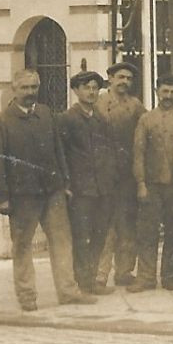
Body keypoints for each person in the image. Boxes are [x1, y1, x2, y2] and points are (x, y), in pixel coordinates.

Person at [0, 68, 93, 311]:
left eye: (34, 87)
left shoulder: (45, 114)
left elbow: (58, 151)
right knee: (22, 246)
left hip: (52, 192)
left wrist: (65, 183)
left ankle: (68, 292)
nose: (30, 92)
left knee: (62, 243)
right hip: (22, 196)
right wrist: (3, 197)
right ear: (14, 90)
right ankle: (27, 296)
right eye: (24, 88)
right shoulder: (2, 122)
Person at [129, 75, 173, 292]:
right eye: (165, 91)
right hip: (152, 185)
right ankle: (146, 277)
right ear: (157, 91)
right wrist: (141, 183)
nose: (168, 96)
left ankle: (169, 276)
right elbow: (139, 153)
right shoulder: (146, 119)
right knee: (147, 232)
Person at [60, 70, 118, 294]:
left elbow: (109, 151)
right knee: (81, 236)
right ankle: (82, 283)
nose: (92, 92)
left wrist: (110, 179)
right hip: (80, 190)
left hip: (102, 189)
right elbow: (61, 154)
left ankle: (91, 280)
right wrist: (66, 185)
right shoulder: (67, 119)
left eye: (95, 88)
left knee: (99, 235)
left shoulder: (101, 119)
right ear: (76, 91)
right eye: (87, 88)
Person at [95, 61, 144, 289]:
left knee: (127, 224)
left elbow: (144, 133)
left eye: (128, 78)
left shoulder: (135, 106)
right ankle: (100, 274)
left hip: (127, 174)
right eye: (120, 77)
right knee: (105, 225)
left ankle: (124, 271)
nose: (124, 82)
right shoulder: (98, 103)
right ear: (110, 79)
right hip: (103, 173)